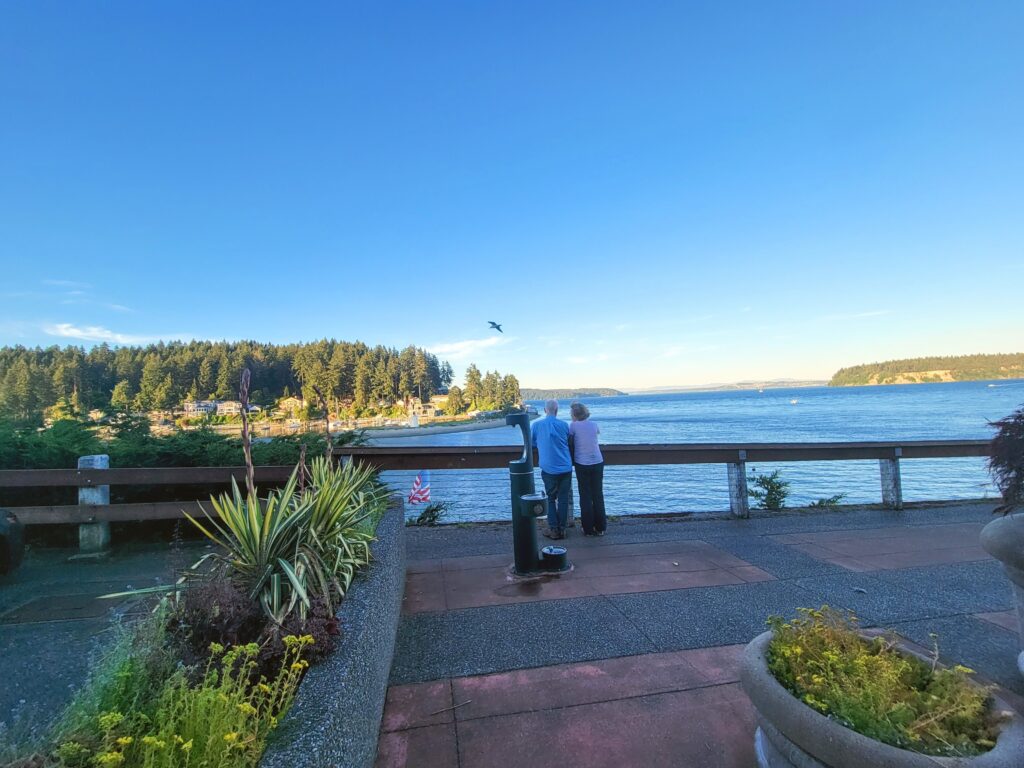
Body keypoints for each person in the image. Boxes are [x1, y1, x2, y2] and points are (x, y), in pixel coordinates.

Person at [531, 399, 572, 539]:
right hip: (565, 467)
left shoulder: (536, 426)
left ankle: (554, 530)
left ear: (544, 410)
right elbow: (568, 441)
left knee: (550, 499)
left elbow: (531, 444)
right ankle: (563, 529)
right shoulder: (564, 425)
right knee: (563, 499)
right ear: (557, 410)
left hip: (548, 468)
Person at [569, 401, 606, 536]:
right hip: (597, 461)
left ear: (574, 414)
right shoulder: (594, 425)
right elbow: (595, 435)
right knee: (598, 494)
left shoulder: (573, 426)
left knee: (585, 496)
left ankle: (588, 528)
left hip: (582, 463)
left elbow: (571, 442)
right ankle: (601, 527)